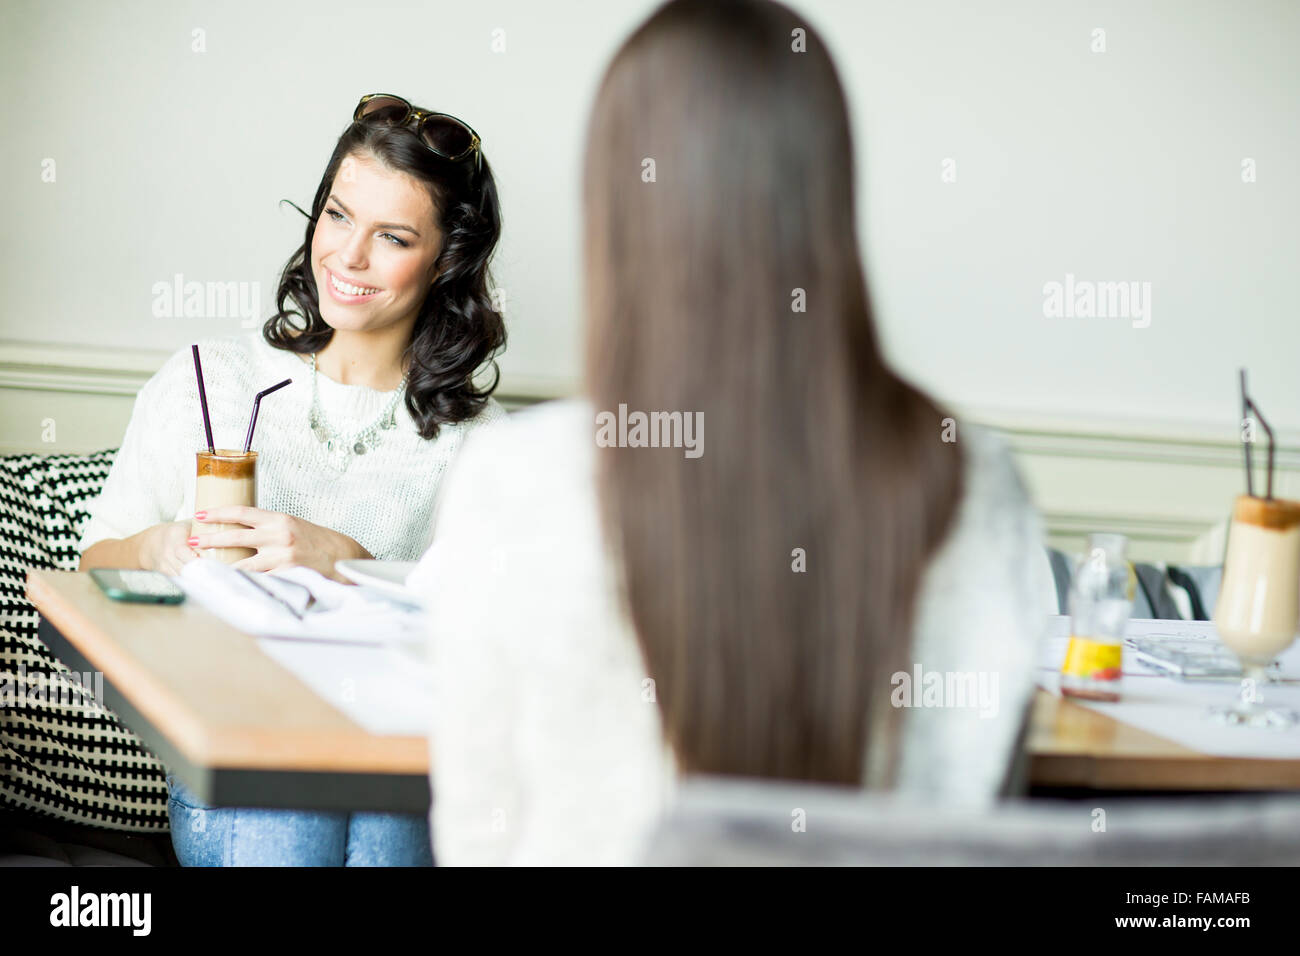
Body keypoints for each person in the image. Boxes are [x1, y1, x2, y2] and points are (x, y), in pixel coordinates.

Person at [413, 0, 1049, 866]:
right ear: (829, 189)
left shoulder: (519, 480)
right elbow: (983, 812)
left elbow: (478, 840)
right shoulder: (978, 480)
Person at [78, 92, 507, 865]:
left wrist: (353, 564)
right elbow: (94, 561)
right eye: (338, 217)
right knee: (297, 809)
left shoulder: (483, 447)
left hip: (395, 756)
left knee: (391, 804)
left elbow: (491, 648)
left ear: (445, 260)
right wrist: (160, 548)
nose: (348, 257)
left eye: (393, 237)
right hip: (237, 756)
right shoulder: (208, 380)